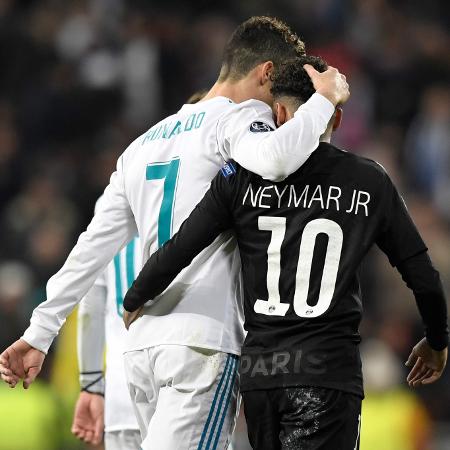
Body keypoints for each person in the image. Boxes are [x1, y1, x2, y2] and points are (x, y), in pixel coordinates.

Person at [0, 16, 349, 449]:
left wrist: (39, 331)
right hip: (201, 344)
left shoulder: (143, 145)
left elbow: (90, 250)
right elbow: (277, 160)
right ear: (267, 73)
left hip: (140, 350)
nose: (276, 110)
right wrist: (324, 101)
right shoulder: (236, 122)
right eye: (277, 93)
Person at [122, 55, 448, 450]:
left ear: (278, 112)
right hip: (327, 375)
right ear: (337, 120)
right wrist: (436, 340)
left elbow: (182, 245)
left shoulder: (240, 175)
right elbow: (422, 275)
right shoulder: (369, 181)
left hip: (261, 376)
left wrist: (137, 294)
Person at [71, 232, 142, 449]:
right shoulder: (197, 207)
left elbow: (89, 311)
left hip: (122, 395)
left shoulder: (107, 217)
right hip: (184, 387)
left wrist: (91, 385)